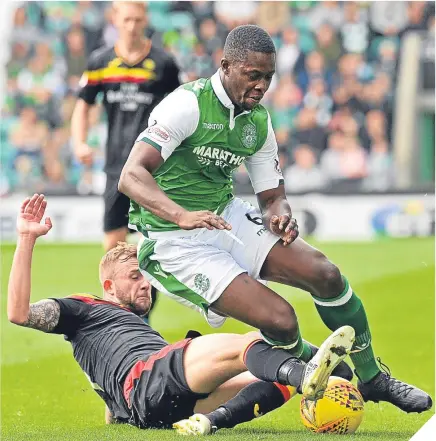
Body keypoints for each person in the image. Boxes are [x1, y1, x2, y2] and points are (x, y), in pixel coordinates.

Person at [119, 25, 432, 414]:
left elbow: (272, 197)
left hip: (223, 217)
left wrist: (281, 217)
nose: (262, 86)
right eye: (254, 75)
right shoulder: (187, 105)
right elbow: (131, 175)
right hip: (172, 240)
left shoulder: (257, 122)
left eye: (268, 77)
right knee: (281, 320)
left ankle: (372, 378)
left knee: (325, 273)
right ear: (227, 66)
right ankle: (313, 363)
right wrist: (180, 215)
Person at [7, 194, 355, 433]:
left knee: (272, 376)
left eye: (147, 278)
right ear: (109, 287)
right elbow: (19, 313)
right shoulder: (85, 308)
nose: (146, 285)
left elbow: (114, 400)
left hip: (162, 407)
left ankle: (213, 420)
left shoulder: (129, 336)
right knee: (250, 341)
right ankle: (305, 368)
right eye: (134, 277)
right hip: (149, 379)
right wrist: (26, 238)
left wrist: (115, 414)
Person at [72, 1, 180, 322]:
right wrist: (79, 141)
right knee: (112, 246)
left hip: (153, 169)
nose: (133, 26)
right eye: (127, 19)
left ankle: (142, 317)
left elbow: (182, 109)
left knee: (151, 245)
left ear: (145, 20)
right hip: (115, 168)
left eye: (138, 20)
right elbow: (83, 105)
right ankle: (117, 318)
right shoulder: (100, 61)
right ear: (116, 20)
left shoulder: (164, 64)